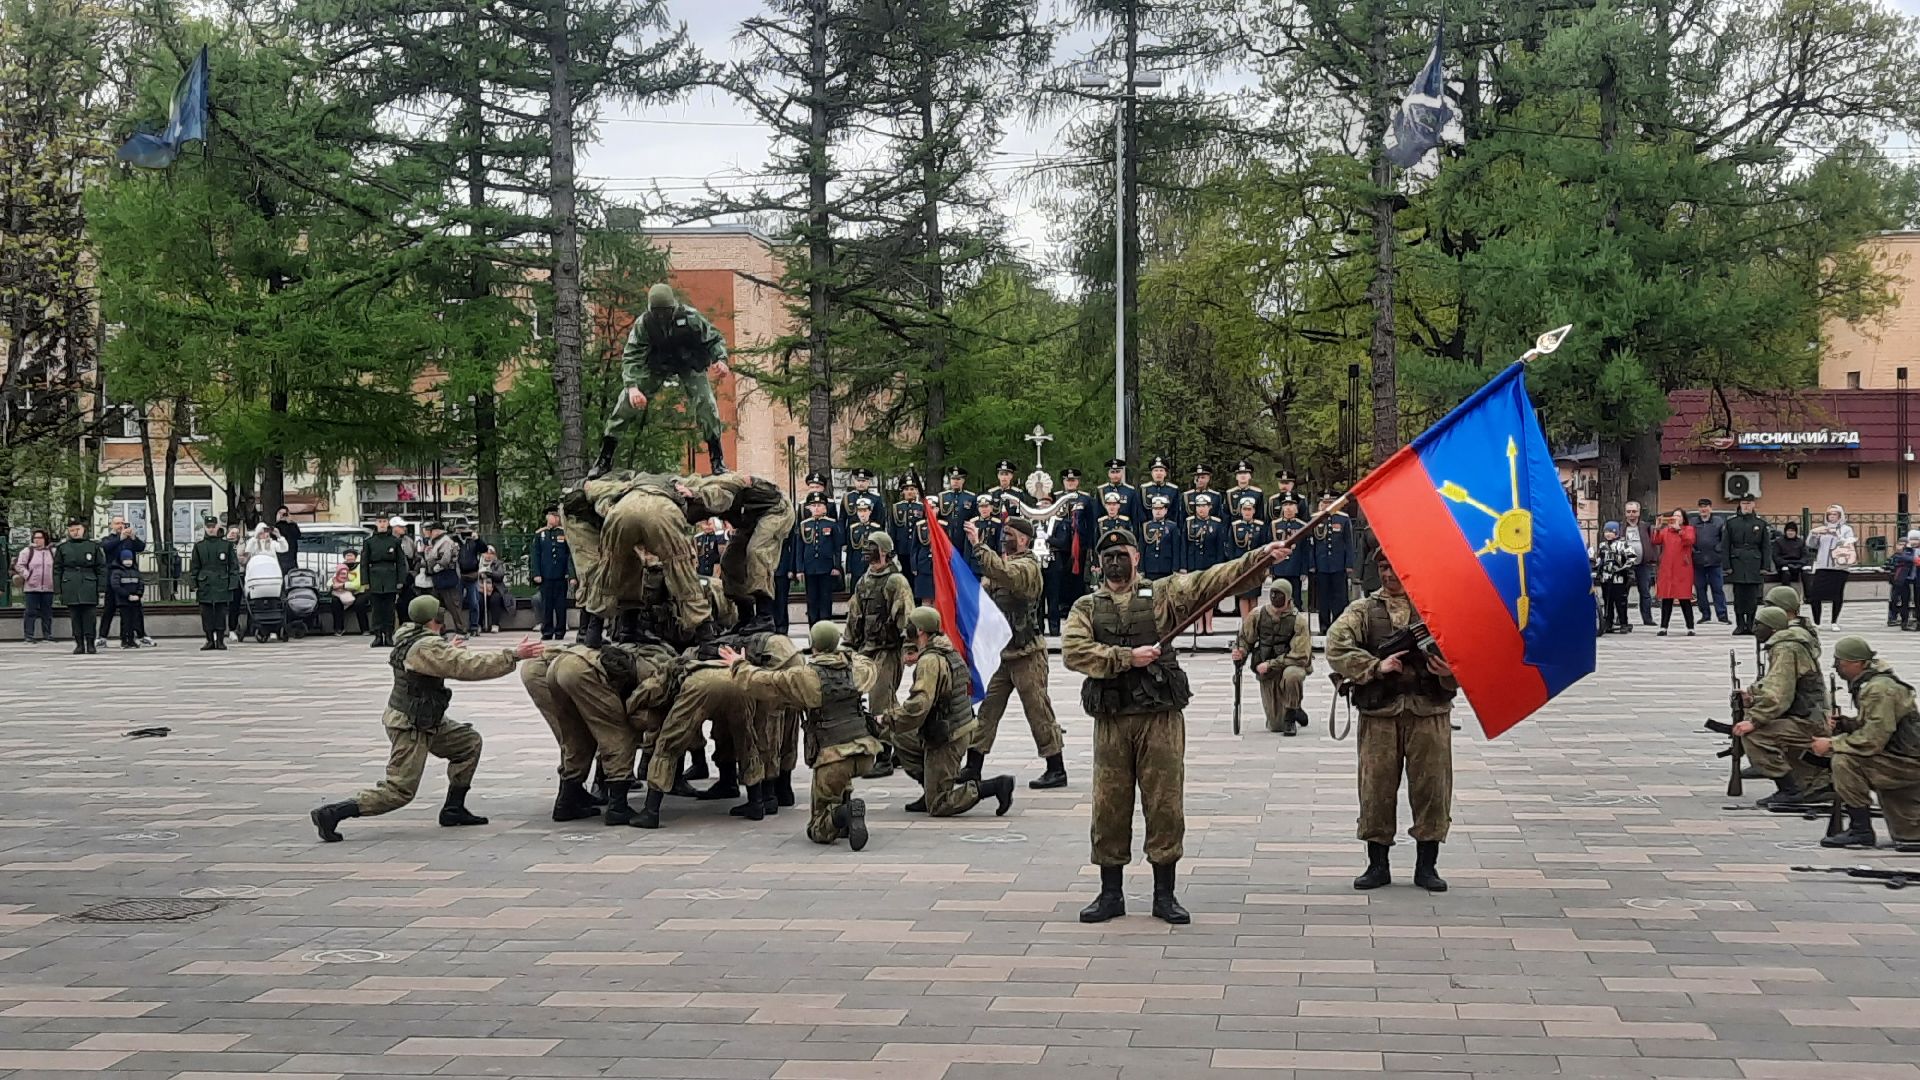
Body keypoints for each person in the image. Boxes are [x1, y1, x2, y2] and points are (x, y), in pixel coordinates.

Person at [1065, 526, 1291, 924]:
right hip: (1113, 721)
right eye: (1108, 557)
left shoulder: (1165, 594)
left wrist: (1261, 558)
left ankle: (1164, 894)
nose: (1115, 562)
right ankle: (1110, 893)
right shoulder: (1086, 606)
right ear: (1099, 564)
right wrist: (1125, 657)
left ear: (1136, 557)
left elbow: (1215, 579)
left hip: (1160, 718)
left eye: (1122, 554)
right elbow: (1074, 651)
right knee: (1108, 806)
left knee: (1165, 803)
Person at [309, 596, 543, 843]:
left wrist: (449, 650)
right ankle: (333, 813)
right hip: (411, 725)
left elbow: (439, 658)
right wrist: (514, 655)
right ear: (435, 618)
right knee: (399, 790)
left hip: (425, 719)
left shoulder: (413, 637)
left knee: (468, 743)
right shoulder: (426, 647)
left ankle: (454, 809)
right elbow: (470, 666)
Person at [1326, 551, 1459, 892]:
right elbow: (1336, 646)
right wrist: (1374, 667)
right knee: (1376, 789)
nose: (1389, 575)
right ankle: (1377, 863)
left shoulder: (1435, 607)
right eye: (1383, 567)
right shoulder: (1364, 610)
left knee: (1432, 789)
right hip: (1380, 713)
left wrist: (1451, 670)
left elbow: (1469, 648)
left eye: (1395, 567)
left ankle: (1427, 864)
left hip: (1428, 711)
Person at [724, 621, 882, 850]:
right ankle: (846, 811)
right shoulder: (857, 670)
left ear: (813, 647)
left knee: (818, 830)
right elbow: (869, 663)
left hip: (832, 757)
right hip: (866, 753)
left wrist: (738, 664)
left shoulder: (804, 677)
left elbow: (764, 682)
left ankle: (843, 814)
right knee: (842, 778)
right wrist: (845, 654)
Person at [881, 606, 1017, 818]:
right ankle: (931, 787)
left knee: (938, 805)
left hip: (948, 735)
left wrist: (889, 718)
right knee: (900, 737)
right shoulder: (946, 649)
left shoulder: (930, 661)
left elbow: (919, 705)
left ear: (919, 631)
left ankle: (992, 787)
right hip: (954, 726)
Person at [521, 637, 674, 825]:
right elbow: (636, 711)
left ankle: (568, 799)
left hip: (546, 667)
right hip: (581, 669)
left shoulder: (633, 649)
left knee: (577, 734)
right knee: (619, 732)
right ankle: (618, 807)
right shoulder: (664, 670)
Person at [589, 282, 731, 479]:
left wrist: (721, 360)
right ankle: (604, 458)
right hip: (657, 366)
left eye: (666, 311)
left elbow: (714, 339)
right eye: (657, 312)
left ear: (673, 308)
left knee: (706, 403)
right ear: (651, 311)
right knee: (625, 402)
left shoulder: (690, 318)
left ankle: (718, 460)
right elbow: (631, 355)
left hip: (688, 364)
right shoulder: (644, 324)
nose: (662, 316)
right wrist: (632, 387)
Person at [965, 517, 1066, 789]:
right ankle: (972, 766)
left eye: (1009, 534)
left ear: (1024, 539)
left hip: (1027, 654)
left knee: (1038, 711)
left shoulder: (1028, 567)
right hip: (1003, 656)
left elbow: (1007, 576)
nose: (1004, 538)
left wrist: (978, 546)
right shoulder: (1002, 566)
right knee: (987, 712)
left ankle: (1056, 767)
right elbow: (985, 593)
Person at [1813, 636, 1920, 852]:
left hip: (1905, 762)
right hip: (1901, 756)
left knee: (1844, 761)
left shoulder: (1879, 689)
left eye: (1840, 662)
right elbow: (1880, 725)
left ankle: (1860, 830)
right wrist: (1848, 724)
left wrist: (1833, 744)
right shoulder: (1874, 683)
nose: (1837, 667)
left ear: (1857, 663)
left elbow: (1873, 739)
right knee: (1909, 836)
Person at [1738, 605, 1831, 809]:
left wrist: (1754, 721)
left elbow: (1779, 694)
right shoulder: (1788, 645)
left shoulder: (1786, 649)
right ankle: (1810, 782)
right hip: (1807, 715)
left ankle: (1789, 790)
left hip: (1808, 720)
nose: (1754, 629)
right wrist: (1753, 695)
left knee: (1756, 736)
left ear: (1772, 629)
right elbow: (1775, 684)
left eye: (1758, 625)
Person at [846, 532, 914, 781]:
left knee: (879, 702)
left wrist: (909, 648)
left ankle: (884, 756)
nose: (868, 552)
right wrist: (848, 646)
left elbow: (907, 615)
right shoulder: (863, 581)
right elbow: (855, 615)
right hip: (867, 650)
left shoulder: (896, 581)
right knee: (887, 703)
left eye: (873, 548)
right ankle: (906, 745)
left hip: (888, 651)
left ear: (885, 552)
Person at [1234, 579, 1312, 735]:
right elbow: (1245, 639)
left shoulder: (1299, 622)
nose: (1275, 597)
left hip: (1289, 665)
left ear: (1288, 598)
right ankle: (1294, 706)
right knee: (1276, 726)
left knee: (1293, 675)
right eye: (1273, 594)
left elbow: (1300, 656)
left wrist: (1271, 664)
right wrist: (1240, 652)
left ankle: (1290, 715)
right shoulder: (1257, 615)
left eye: (1280, 595)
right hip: (1266, 672)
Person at [1043, 468, 1096, 634]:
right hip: (1060, 547)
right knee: (1059, 582)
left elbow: (1091, 523)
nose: (1070, 483)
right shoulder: (1057, 497)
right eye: (1067, 480)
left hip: (1078, 546)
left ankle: (1077, 616)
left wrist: (1090, 547)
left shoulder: (1085, 499)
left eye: (1073, 481)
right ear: (1064, 482)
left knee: (1078, 582)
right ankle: (1061, 612)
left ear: (1078, 482)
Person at [53, 517, 104, 655]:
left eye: (77, 529)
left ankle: (91, 643)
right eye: (72, 530)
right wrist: (58, 588)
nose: (75, 532)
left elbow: (101, 568)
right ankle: (79, 643)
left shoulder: (93, 546)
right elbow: (57, 569)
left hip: (88, 583)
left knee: (90, 616)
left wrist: (101, 587)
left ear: (83, 530)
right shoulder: (63, 548)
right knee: (75, 616)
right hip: (70, 583)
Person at [1724, 494, 1772, 635]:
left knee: (1752, 597)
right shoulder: (1732, 523)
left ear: (1753, 505)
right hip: (1737, 561)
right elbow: (1726, 545)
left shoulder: (1761, 524)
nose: (1746, 506)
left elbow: (1766, 546)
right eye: (1743, 503)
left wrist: (1765, 566)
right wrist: (1726, 565)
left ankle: (1751, 624)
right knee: (1738, 596)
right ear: (1740, 504)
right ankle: (1740, 624)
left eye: (1749, 503)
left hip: (1754, 562)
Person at [187, 517, 236, 651]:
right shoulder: (199, 546)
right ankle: (209, 640)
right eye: (208, 526)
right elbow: (194, 567)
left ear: (218, 527)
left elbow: (233, 566)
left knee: (220, 613)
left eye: (213, 526)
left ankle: (220, 640)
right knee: (206, 613)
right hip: (205, 584)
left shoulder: (226, 545)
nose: (211, 529)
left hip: (221, 582)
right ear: (205, 528)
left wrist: (232, 584)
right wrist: (193, 583)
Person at [97, 517, 147, 648]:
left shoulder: (130, 539)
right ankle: (102, 636)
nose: (120, 526)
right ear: (112, 525)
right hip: (114, 579)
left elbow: (141, 547)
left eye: (122, 523)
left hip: (130, 580)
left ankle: (137, 636)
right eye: (117, 523)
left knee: (133, 610)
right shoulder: (109, 539)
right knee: (109, 609)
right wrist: (120, 538)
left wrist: (134, 537)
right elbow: (106, 547)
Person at [1308, 493, 1353, 634]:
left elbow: (1349, 543)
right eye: (1324, 502)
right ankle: (1324, 625)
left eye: (1330, 502)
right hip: (1321, 565)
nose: (1327, 505)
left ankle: (1337, 625)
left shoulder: (1343, 519)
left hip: (1338, 564)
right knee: (1323, 597)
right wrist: (1312, 563)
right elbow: (1311, 545)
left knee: (1339, 597)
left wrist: (1349, 564)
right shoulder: (1315, 519)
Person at [1806, 504, 1856, 626]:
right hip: (1822, 565)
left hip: (1839, 567)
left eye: (1835, 514)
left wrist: (1837, 535)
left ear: (1840, 516)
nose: (1832, 516)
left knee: (1836, 595)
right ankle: (1817, 621)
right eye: (1829, 514)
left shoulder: (1846, 529)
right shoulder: (1822, 528)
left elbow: (1849, 543)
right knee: (1814, 595)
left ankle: (1834, 621)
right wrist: (1813, 534)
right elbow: (1811, 545)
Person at [363, 518, 409, 648]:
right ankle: (378, 635)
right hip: (375, 577)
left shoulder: (394, 541)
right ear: (376, 524)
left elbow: (400, 562)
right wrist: (365, 581)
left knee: (389, 609)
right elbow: (364, 562)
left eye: (384, 521)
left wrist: (401, 580)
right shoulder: (369, 542)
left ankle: (389, 635)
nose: (382, 524)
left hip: (390, 576)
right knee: (376, 609)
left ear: (388, 523)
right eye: (379, 521)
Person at [1650, 509, 1697, 636]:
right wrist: (1658, 528)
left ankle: (1690, 627)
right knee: (1667, 598)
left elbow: (1689, 540)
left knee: (1684, 598)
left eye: (1678, 516)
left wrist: (1679, 530)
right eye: (1674, 516)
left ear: (1683, 519)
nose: (1675, 518)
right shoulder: (1666, 531)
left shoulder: (1688, 529)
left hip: (1682, 568)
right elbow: (1655, 541)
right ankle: (1663, 626)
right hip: (1667, 568)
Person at [798, 494, 843, 626]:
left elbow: (837, 548)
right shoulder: (804, 524)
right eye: (814, 506)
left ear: (825, 508)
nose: (816, 508)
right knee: (812, 599)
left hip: (826, 567)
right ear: (809, 508)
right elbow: (799, 548)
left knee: (825, 598)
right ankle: (813, 627)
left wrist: (836, 566)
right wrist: (800, 568)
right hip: (810, 567)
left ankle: (826, 627)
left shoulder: (831, 524)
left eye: (819, 505)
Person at [891, 474, 934, 605]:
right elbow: (893, 529)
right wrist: (893, 551)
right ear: (903, 491)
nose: (910, 492)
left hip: (917, 550)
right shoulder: (896, 508)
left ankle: (917, 605)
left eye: (913, 489)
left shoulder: (921, 507)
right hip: (902, 549)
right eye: (907, 489)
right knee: (904, 579)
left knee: (917, 579)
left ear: (917, 491)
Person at [531, 508, 574, 641]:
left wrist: (571, 575)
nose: (555, 518)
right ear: (547, 517)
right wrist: (536, 573)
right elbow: (535, 555)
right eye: (553, 516)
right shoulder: (540, 535)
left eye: (557, 516)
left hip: (560, 576)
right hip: (546, 576)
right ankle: (547, 631)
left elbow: (569, 556)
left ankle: (560, 631)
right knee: (546, 605)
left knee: (561, 605)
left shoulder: (563, 533)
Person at [420, 522, 467, 635]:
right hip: (438, 578)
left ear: (437, 531)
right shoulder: (434, 542)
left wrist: (435, 567)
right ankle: (440, 629)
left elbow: (445, 559)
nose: (428, 533)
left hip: (447, 576)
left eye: (430, 530)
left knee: (453, 606)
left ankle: (461, 630)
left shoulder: (446, 541)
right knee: (437, 606)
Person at [1227, 497, 1269, 618]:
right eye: (1245, 509)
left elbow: (1264, 547)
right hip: (1241, 565)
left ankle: (1253, 622)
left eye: (1249, 509)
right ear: (1241, 511)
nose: (1247, 512)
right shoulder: (1235, 526)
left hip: (1255, 565)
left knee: (1254, 595)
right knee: (1243, 595)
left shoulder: (1260, 526)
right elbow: (1231, 548)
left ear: (1254, 511)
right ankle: (1245, 622)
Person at [1593, 521, 1637, 634]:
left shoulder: (1623, 545)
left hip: (1619, 577)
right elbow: (1599, 559)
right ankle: (1608, 622)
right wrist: (1597, 570)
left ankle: (1623, 623)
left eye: (1611, 532)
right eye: (1606, 531)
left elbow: (1632, 557)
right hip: (1605, 577)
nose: (1608, 534)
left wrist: (1623, 568)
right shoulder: (1602, 546)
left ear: (1616, 533)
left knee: (1620, 601)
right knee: (1607, 601)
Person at [1690, 499, 1729, 624]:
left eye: (1706, 507)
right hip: (1698, 561)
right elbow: (1689, 538)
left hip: (1715, 561)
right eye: (1701, 507)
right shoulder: (1693, 522)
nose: (1703, 509)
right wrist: (1693, 550)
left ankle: (1722, 614)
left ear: (1710, 508)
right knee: (1700, 589)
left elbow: (1724, 539)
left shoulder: (1718, 521)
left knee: (1717, 588)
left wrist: (1718, 549)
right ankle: (1705, 614)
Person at [13, 529, 55, 644]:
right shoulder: (27, 551)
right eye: (35, 538)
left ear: (45, 539)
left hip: (48, 587)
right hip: (31, 587)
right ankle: (29, 636)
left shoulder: (51, 551)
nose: (38, 540)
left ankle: (47, 635)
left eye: (40, 538)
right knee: (30, 612)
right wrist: (28, 576)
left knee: (47, 612)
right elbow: (19, 565)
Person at [1622, 501, 1658, 628]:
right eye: (1629, 512)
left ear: (1639, 512)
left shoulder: (1645, 527)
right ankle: (1621, 619)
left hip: (1643, 564)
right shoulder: (1621, 527)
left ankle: (1647, 618)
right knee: (1622, 593)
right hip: (1625, 565)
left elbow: (1655, 541)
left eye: (1634, 511)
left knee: (1645, 593)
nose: (1631, 514)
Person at [1268, 499, 1308, 604]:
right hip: (1279, 566)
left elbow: (1305, 549)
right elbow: (1269, 547)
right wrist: (1270, 568)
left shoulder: (1302, 526)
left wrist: (1304, 570)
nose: (1288, 509)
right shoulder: (1274, 525)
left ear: (1296, 509)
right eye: (1285, 505)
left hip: (1295, 567)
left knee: (1295, 600)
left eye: (1291, 505)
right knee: (1278, 598)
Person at [107, 548, 147, 649]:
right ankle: (124, 640)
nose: (128, 561)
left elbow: (141, 584)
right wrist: (127, 595)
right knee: (126, 621)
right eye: (126, 559)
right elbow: (116, 586)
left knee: (134, 621)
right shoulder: (116, 572)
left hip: (135, 601)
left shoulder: (135, 571)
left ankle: (131, 640)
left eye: (130, 559)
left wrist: (138, 595)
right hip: (123, 601)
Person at [938, 467, 977, 565]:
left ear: (963, 480)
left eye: (958, 479)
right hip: (946, 536)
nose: (955, 482)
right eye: (953, 479)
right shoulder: (942, 497)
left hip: (963, 537)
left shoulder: (971, 497)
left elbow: (974, 518)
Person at [329, 550, 368, 636]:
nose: (349, 557)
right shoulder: (341, 567)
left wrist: (343, 585)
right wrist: (333, 585)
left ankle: (365, 629)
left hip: (359, 592)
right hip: (343, 593)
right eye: (347, 555)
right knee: (335, 602)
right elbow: (332, 580)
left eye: (351, 555)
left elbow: (358, 584)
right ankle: (338, 628)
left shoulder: (360, 567)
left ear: (355, 557)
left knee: (359, 604)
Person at [1139, 497, 1179, 578]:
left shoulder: (1172, 527)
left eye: (1160, 508)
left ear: (1165, 510)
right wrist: (1141, 569)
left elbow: (1175, 549)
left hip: (1166, 568)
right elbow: (1141, 549)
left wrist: (1175, 569)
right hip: (1150, 567)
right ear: (1152, 510)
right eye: (1155, 508)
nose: (1158, 511)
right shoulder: (1146, 526)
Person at [458, 526, 488, 634]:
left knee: (474, 602)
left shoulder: (474, 542)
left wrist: (477, 539)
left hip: (472, 574)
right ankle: (459, 626)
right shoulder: (455, 541)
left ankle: (474, 626)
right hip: (459, 574)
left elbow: (484, 549)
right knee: (458, 602)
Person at [1142, 456, 1183, 528]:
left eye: (1161, 470)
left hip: (1169, 528)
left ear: (1165, 473)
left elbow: (1176, 513)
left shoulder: (1173, 489)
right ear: (1151, 473)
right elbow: (1141, 512)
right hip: (1149, 529)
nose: (1158, 473)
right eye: (1156, 470)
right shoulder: (1144, 489)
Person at [1099, 459, 1142, 524]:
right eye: (1113, 472)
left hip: (1125, 528)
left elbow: (1134, 515)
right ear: (1108, 473)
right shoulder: (1102, 490)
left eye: (1118, 472)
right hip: (1106, 529)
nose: (1115, 475)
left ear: (1122, 473)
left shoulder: (1130, 491)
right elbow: (1097, 514)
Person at [1892, 531, 1920, 630]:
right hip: (1905, 579)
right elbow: (1902, 557)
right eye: (1912, 539)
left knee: (1918, 600)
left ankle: (1918, 621)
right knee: (1905, 600)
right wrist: (1913, 559)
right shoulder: (1906, 549)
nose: (1914, 541)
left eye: (1916, 539)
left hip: (1917, 579)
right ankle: (1904, 622)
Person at [1772, 522, 1807, 598]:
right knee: (1786, 574)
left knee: (1806, 574)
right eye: (1789, 531)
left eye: (1792, 531)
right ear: (1785, 531)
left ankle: (1808, 596)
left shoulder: (1800, 542)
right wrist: (1786, 563)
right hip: (1783, 565)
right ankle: (1786, 596)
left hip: (1798, 564)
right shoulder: (1779, 542)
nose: (1790, 533)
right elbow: (1776, 557)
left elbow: (1805, 556)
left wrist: (1800, 564)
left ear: (1796, 532)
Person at [479, 547, 510, 632]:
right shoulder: (479, 563)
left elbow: (500, 575)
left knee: (495, 599)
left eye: (491, 553)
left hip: (495, 588)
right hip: (481, 589)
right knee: (478, 600)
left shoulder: (498, 563)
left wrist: (489, 573)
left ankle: (495, 624)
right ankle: (478, 624)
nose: (488, 555)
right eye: (486, 553)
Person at [273, 506, 303, 575]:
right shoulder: (275, 528)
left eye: (284, 514)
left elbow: (298, 535)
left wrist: (289, 521)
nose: (282, 515)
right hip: (279, 562)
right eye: (280, 513)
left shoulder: (292, 526)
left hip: (291, 561)